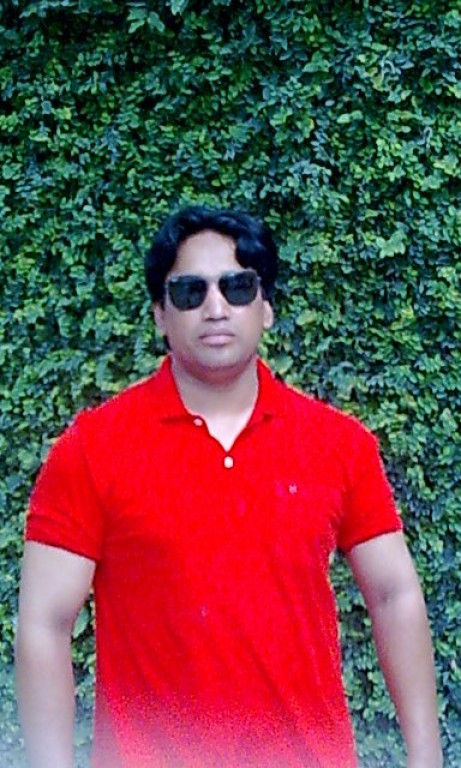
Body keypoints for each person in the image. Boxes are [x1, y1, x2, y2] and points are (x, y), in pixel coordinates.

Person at [16, 206, 443, 768]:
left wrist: (427, 757)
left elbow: (394, 595)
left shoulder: (339, 445)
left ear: (266, 308)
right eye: (190, 292)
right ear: (160, 315)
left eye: (238, 287)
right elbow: (44, 625)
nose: (216, 308)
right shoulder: (92, 449)